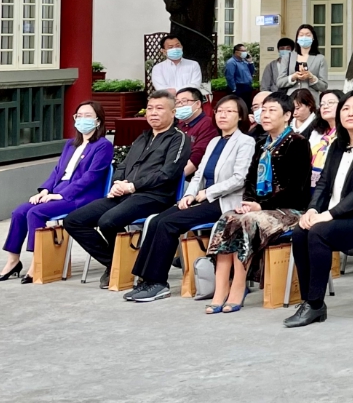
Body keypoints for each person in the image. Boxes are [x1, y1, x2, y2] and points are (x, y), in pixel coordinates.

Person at [124, 94, 256, 302]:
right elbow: (198, 174)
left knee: (168, 224)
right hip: (203, 198)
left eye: (229, 111)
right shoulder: (214, 141)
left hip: (224, 202)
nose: (223, 115)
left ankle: (158, 283)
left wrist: (207, 193)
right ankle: (145, 280)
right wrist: (189, 195)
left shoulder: (246, 142)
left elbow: (239, 179)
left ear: (240, 116)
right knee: (157, 220)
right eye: (219, 111)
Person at [284, 91, 353, 327]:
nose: (350, 113)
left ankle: (314, 304)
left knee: (318, 232)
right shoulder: (337, 145)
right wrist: (312, 210)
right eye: (345, 108)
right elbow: (323, 183)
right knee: (300, 231)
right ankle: (311, 302)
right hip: (336, 216)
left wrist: (328, 215)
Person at [64, 91, 192, 288]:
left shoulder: (179, 138)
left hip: (154, 196)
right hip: (125, 193)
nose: (153, 113)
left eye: (159, 108)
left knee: (108, 222)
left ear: (173, 112)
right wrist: (117, 183)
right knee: (73, 220)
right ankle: (115, 262)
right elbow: (123, 165)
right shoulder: (142, 137)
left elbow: (169, 173)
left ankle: (120, 264)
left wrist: (133, 186)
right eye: (150, 109)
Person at [205, 91, 313, 312]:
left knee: (247, 221)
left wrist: (260, 207)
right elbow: (250, 181)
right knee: (227, 218)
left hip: (290, 210)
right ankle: (220, 287)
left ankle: (238, 285)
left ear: (287, 116)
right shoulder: (262, 143)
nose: (265, 115)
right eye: (263, 110)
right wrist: (248, 202)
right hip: (259, 209)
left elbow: (297, 189)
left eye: (272, 110)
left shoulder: (298, 143)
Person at [0, 101, 114, 282]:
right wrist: (45, 190)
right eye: (79, 116)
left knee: (36, 212)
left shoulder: (103, 145)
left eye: (88, 116)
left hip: (82, 196)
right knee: (20, 211)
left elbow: (92, 177)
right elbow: (57, 171)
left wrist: (61, 194)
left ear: (98, 121)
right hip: (58, 191)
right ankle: (13, 261)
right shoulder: (70, 144)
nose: (82, 119)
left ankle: (37, 263)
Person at [174, 88, 220, 175]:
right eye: (177, 102)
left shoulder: (208, 124)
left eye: (184, 101)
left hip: (191, 178)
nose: (180, 105)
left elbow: (197, 159)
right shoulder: (180, 126)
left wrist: (175, 180)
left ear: (198, 104)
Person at [283, 24, 329, 98]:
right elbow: (279, 82)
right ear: (297, 38)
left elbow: (323, 86)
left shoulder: (320, 59)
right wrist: (294, 76)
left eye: (308, 35)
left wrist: (311, 77)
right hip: (291, 99)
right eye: (301, 35)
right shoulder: (287, 57)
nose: (304, 37)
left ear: (313, 38)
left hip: (311, 99)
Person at [308, 90, 342, 167]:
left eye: (330, 103)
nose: (325, 106)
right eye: (322, 104)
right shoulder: (316, 132)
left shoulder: (347, 133)